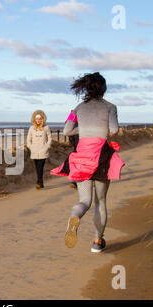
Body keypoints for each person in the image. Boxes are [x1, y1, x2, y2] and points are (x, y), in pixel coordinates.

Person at [50, 72, 125, 253]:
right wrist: (102, 129)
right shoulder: (110, 107)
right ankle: (97, 242)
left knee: (84, 200)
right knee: (101, 201)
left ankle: (74, 216)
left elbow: (67, 130)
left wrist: (82, 130)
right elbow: (114, 130)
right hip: (101, 156)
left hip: (82, 156)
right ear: (103, 89)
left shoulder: (77, 109)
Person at [27, 110, 52, 189]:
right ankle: (40, 182)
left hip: (43, 150)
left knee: (40, 166)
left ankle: (39, 181)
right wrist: (31, 147)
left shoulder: (46, 127)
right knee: (37, 167)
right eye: (37, 119)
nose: (38, 120)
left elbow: (50, 138)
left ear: (42, 119)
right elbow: (28, 140)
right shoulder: (31, 128)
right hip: (34, 151)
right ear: (34, 119)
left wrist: (47, 146)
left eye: (40, 119)